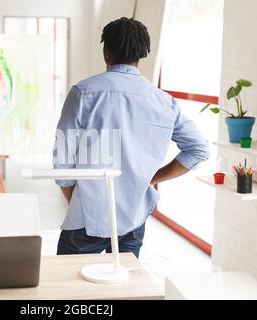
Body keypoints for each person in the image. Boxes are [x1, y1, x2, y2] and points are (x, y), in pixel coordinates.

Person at [53, 17, 210, 258]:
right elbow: (199, 149)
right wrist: (150, 178)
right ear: (142, 55)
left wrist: (76, 199)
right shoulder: (163, 102)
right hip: (134, 216)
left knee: (73, 289)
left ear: (106, 53)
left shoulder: (83, 93)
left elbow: (62, 159)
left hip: (86, 216)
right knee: (126, 290)